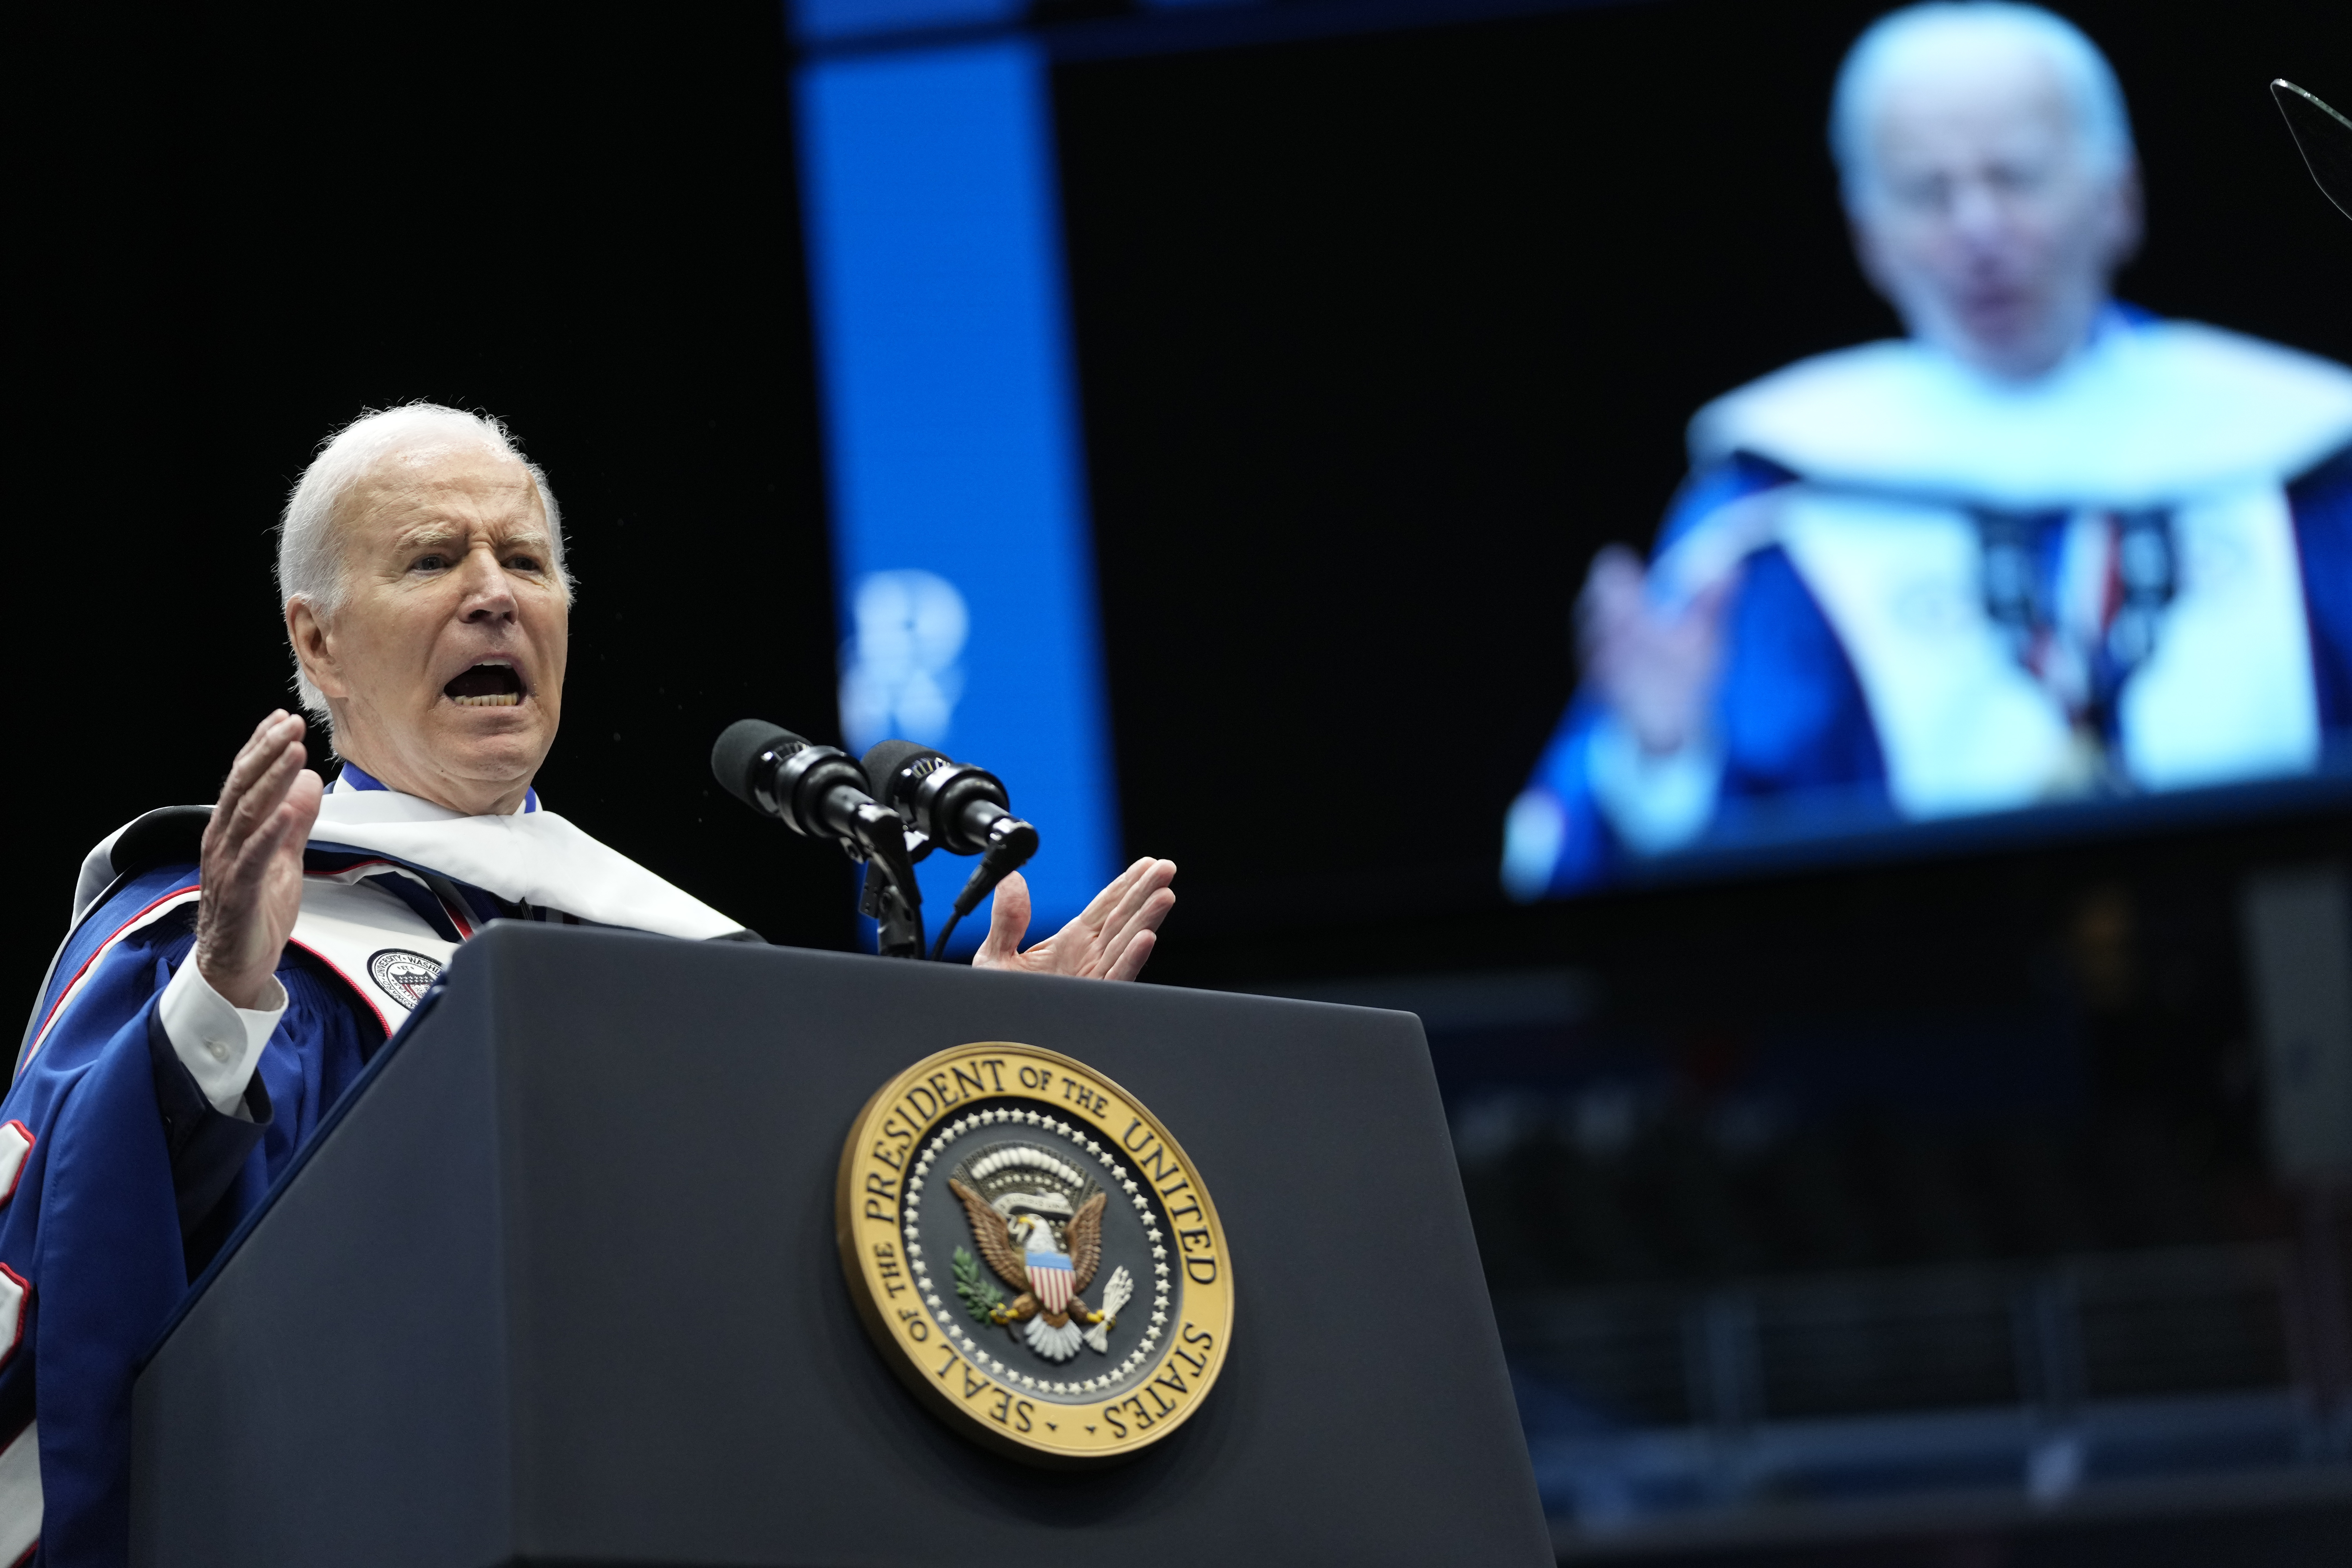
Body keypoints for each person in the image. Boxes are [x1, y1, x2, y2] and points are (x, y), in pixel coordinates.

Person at [0, 404, 1177, 1565]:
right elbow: (85, 1239)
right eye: (431, 559)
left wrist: (973, 1073)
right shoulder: (207, 928)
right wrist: (223, 999)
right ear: (318, 644)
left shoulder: (678, 957)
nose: (494, 592)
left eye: (524, 559)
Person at [1503, 2, 2352, 898]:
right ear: (1868, 236)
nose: (1978, 229)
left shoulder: (2307, 457)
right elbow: (1596, 867)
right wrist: (1663, 754)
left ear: (2120, 199)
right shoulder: (1775, 508)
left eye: (2016, 176)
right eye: (1926, 192)